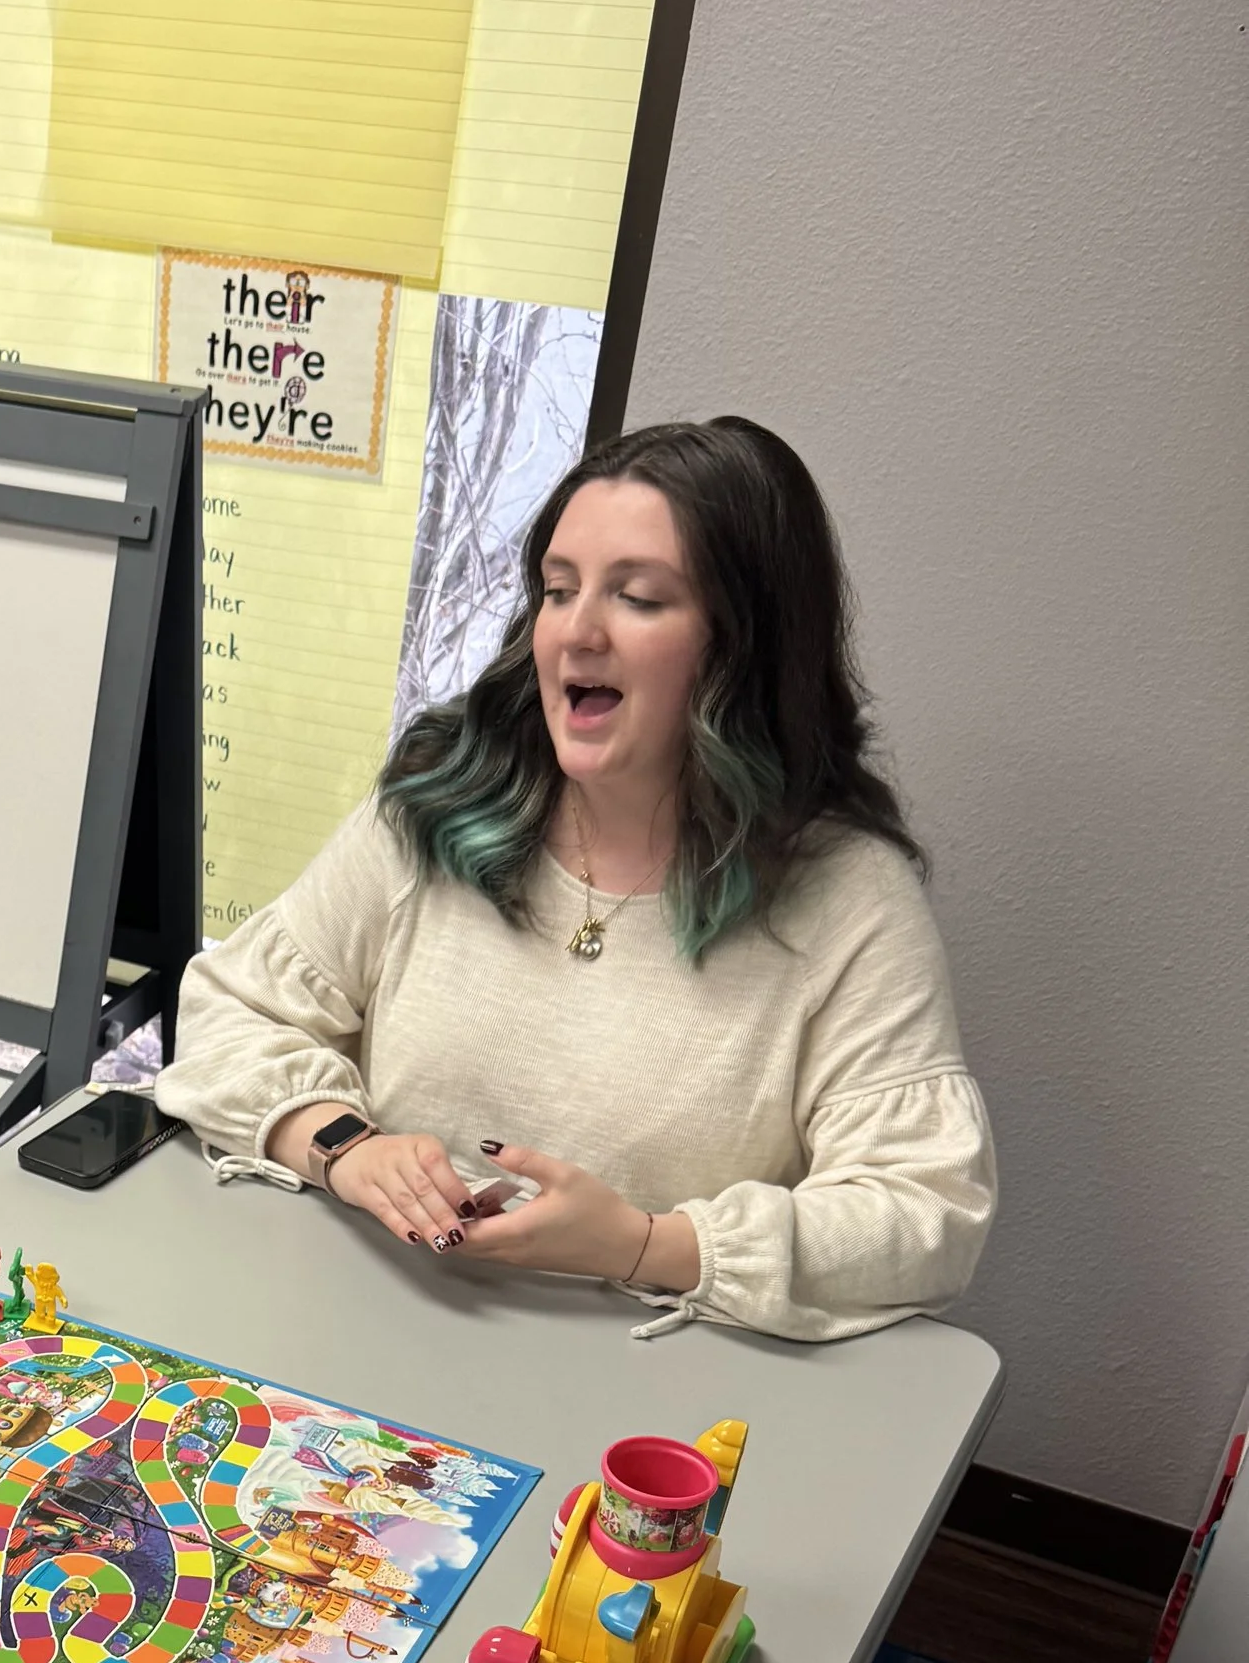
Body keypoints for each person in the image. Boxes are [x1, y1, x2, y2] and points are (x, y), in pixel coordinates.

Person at [154, 418, 996, 1341]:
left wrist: (642, 1245)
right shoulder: (439, 803)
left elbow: (926, 1216)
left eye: (637, 598)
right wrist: (342, 1147)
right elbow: (229, 1010)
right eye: (558, 591)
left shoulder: (850, 899)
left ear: (743, 645)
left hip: (650, 1406)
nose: (577, 632)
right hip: (360, 1336)